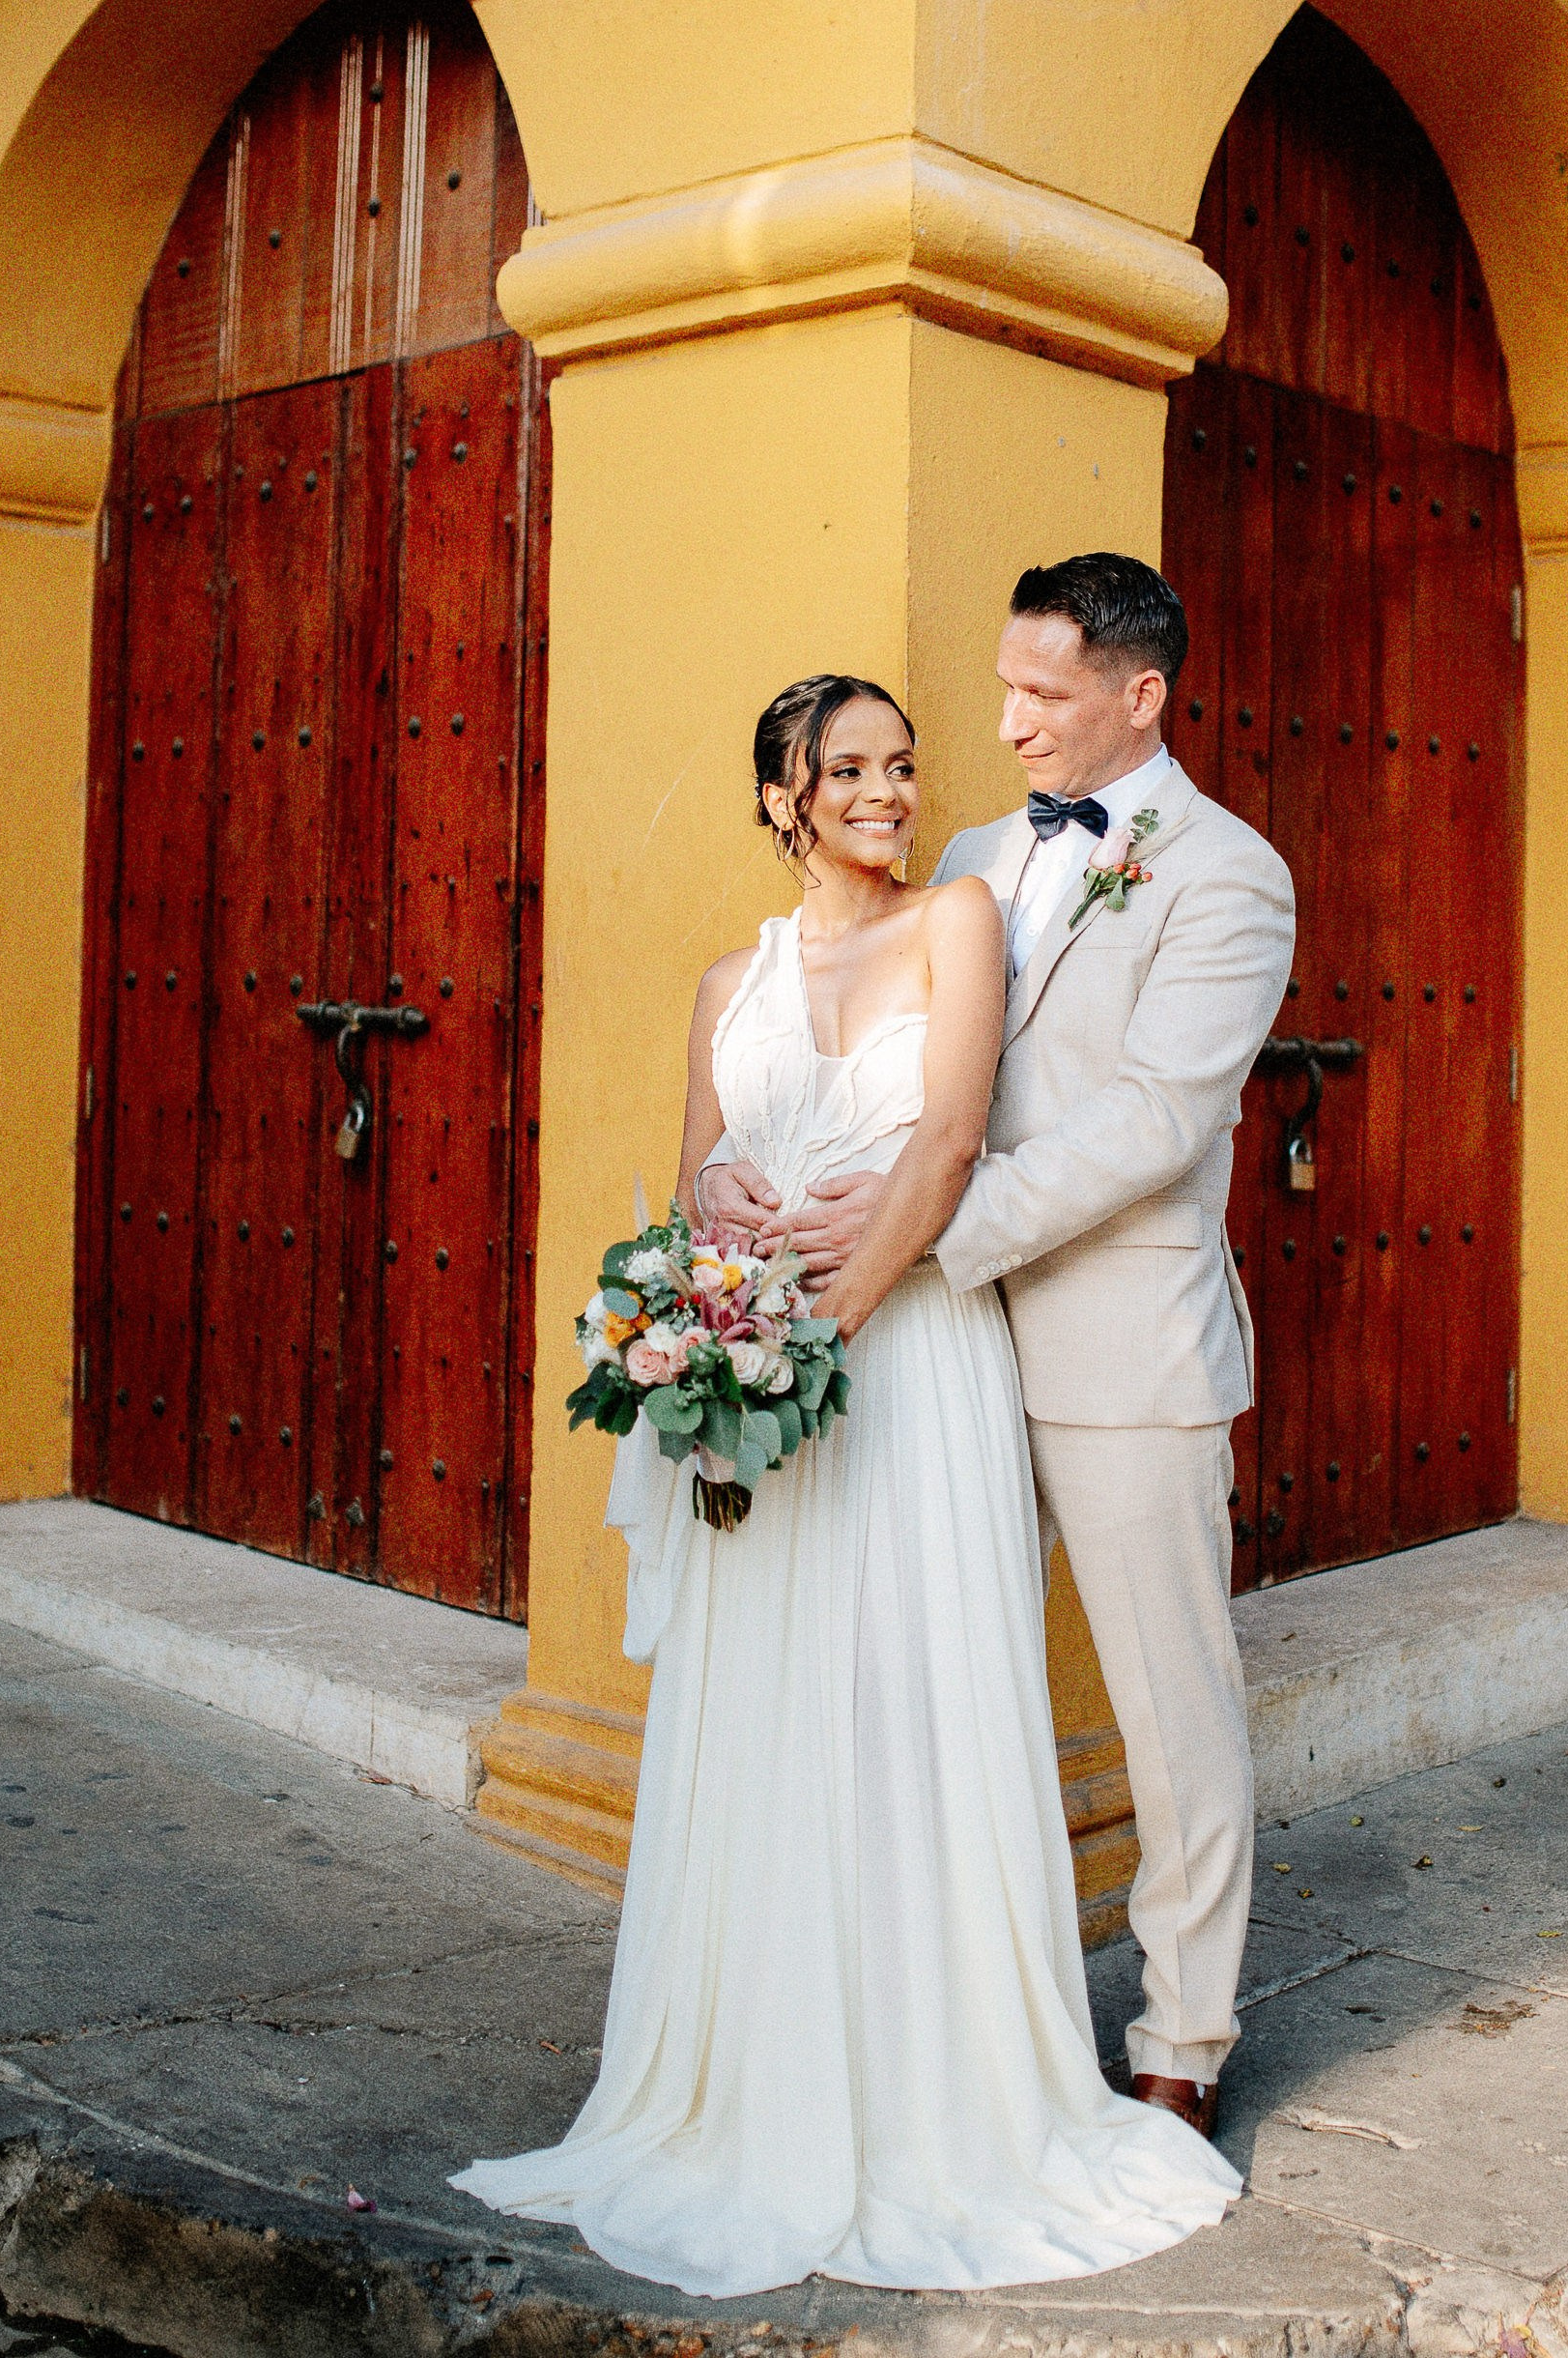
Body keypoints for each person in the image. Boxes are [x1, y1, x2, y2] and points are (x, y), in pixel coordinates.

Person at [450, 671, 1238, 2297]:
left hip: (906, 1360)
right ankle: (756, 2078)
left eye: (900, 763)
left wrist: (833, 1319)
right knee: (774, 1707)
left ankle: (939, 2086)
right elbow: (687, 1176)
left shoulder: (956, 917)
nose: (885, 790)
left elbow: (949, 1142)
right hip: (762, 1380)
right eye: (848, 770)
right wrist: (717, 1234)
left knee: (918, 1696)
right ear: (782, 799)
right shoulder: (722, 981)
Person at [708, 560, 1295, 2140]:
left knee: (1173, 1710)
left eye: (1043, 691)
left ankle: (1184, 2038)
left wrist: (913, 1235)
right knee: (931, 1683)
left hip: (1115, 1344)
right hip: (942, 1360)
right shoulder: (968, 858)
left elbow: (1158, 1122)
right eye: (1005, 682)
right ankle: (946, 2014)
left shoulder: (1232, 875)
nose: (1009, 719)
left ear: (1140, 695)